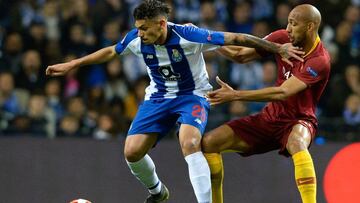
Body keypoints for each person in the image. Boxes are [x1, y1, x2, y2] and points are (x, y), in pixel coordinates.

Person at [46, 1, 303, 202]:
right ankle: (158, 191)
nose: (140, 33)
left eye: (144, 28)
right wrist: (73, 64)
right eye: (137, 28)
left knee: (190, 142)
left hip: (192, 95)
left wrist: (277, 49)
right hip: (158, 97)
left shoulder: (189, 35)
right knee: (132, 152)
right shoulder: (136, 40)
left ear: (161, 24)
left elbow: (236, 38)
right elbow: (111, 51)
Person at [202, 4, 330, 203]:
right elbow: (240, 55)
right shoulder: (282, 38)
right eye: (288, 22)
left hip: (299, 120)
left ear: (310, 27)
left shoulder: (319, 60)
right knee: (209, 143)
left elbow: (283, 92)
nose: (287, 28)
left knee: (297, 142)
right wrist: (205, 38)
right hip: (269, 118)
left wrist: (235, 95)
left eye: (294, 24)